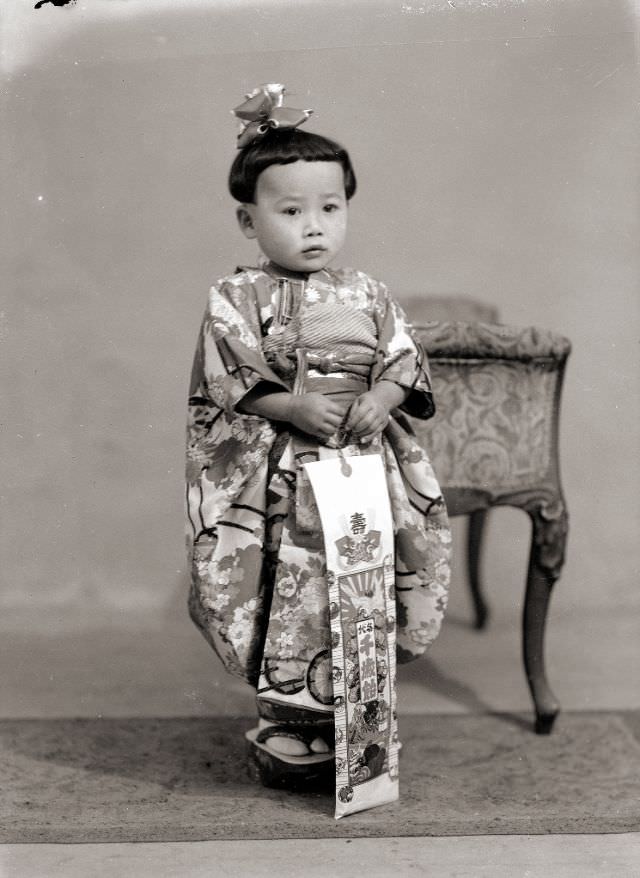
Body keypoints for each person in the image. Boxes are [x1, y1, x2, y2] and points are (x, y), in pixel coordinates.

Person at [186, 84, 451, 814]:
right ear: (248, 219)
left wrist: (384, 398)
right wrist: (290, 404)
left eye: (330, 208)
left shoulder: (368, 292)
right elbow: (231, 375)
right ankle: (283, 722)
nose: (314, 226)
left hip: (360, 468)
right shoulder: (234, 297)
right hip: (280, 472)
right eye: (290, 210)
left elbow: (401, 360)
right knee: (283, 586)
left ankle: (352, 720)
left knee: (356, 582)